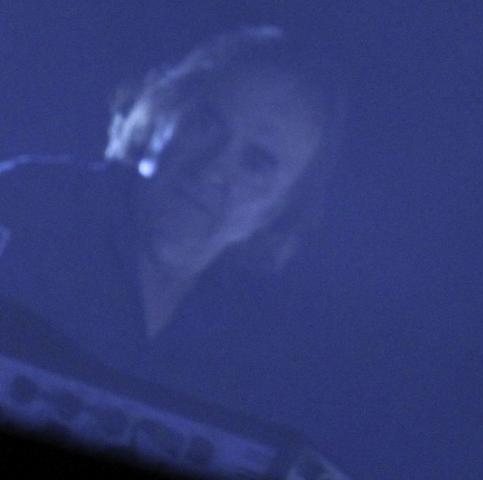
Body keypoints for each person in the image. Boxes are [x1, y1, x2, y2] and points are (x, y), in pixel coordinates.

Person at [0, 25, 336, 412]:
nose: (211, 168)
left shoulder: (255, 337)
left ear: (281, 209)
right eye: (206, 123)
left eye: (256, 161)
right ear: (163, 113)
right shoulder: (28, 203)